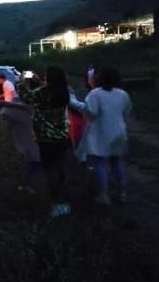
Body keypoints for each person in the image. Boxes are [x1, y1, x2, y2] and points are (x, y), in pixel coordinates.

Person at [19, 66, 72, 218]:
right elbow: (45, 94)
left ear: (49, 78)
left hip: (46, 137)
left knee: (50, 169)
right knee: (59, 166)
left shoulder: (42, 92)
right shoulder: (63, 91)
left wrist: (22, 81)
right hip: (62, 135)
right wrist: (37, 82)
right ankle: (62, 197)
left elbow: (27, 97)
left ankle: (57, 203)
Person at [80, 67, 132, 205]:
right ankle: (122, 193)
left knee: (100, 163)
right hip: (119, 132)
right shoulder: (123, 94)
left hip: (101, 133)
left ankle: (103, 195)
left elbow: (91, 112)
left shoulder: (95, 94)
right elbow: (127, 112)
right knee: (116, 163)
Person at [0, 74, 41, 193]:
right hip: (24, 134)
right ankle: (24, 184)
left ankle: (28, 183)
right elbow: (5, 115)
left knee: (34, 158)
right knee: (28, 157)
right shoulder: (20, 101)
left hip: (34, 132)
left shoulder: (36, 98)